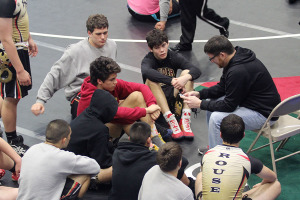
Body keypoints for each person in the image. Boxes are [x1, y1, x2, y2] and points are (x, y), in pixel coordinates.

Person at [182, 35, 281, 148]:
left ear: (222, 55)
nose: (212, 61)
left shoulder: (237, 71)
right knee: (211, 102)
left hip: (264, 114)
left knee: (216, 119)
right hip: (253, 103)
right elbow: (223, 88)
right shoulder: (235, 58)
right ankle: (215, 146)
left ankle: (217, 156)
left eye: (212, 58)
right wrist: (200, 94)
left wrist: (200, 104)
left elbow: (229, 105)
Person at [31, 14, 117, 119]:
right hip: (82, 95)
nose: (103, 37)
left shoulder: (112, 46)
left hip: (105, 91)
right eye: (98, 34)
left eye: (105, 33)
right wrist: (40, 101)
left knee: (134, 99)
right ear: (89, 33)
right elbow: (56, 74)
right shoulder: (75, 52)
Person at [77, 56, 165, 147]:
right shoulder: (92, 97)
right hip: (95, 136)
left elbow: (142, 87)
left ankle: (153, 138)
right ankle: (148, 145)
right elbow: (117, 113)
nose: (115, 82)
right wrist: (147, 110)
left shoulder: (110, 84)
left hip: (110, 122)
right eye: (112, 79)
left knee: (137, 96)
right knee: (126, 118)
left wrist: (152, 105)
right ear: (99, 81)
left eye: (115, 78)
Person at [195, 114, 281, 200]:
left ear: (220, 134)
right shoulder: (248, 160)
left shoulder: (207, 153)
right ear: (243, 135)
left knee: (200, 175)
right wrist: (262, 184)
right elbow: (272, 177)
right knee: (276, 185)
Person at [17, 119, 100, 200]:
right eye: (69, 136)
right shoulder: (62, 157)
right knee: (84, 175)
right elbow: (95, 167)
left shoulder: (32, 149)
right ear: (64, 140)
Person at [109, 122, 194, 200]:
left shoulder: (117, 153)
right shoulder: (153, 159)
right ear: (149, 140)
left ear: (129, 138)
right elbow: (181, 161)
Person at [142, 29, 201, 140]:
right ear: (151, 49)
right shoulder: (148, 59)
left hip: (172, 96)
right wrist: (171, 81)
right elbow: (146, 72)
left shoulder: (173, 56)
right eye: (157, 48)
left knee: (187, 73)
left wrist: (185, 79)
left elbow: (196, 70)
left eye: (163, 45)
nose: (162, 50)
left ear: (168, 43)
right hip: (156, 102)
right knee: (151, 80)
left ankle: (185, 118)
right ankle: (171, 120)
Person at [0, 0, 38, 156]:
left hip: (18, 46)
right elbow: (5, 38)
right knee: (11, 97)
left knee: (8, 95)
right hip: (11, 52)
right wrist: (20, 70)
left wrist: (28, 38)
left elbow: (18, 19)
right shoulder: (6, 1)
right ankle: (12, 141)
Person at [66, 89, 118, 184]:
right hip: (75, 172)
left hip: (69, 162)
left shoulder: (86, 114)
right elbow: (104, 162)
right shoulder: (99, 129)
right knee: (117, 167)